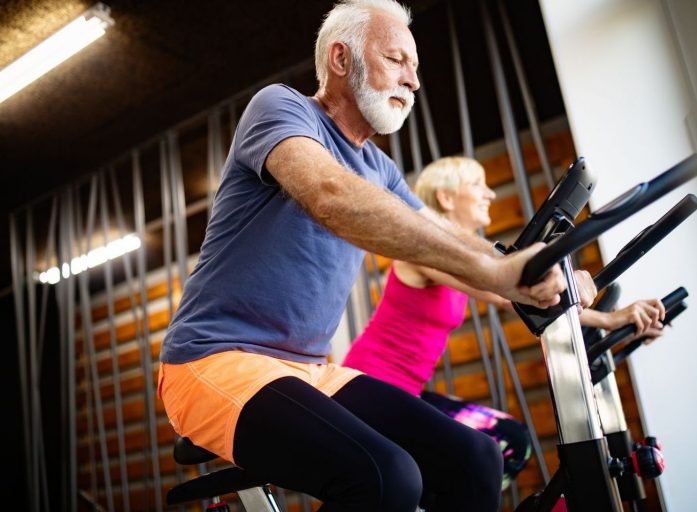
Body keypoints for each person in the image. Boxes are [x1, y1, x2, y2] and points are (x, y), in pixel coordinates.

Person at [157, 1, 570, 511]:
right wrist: (494, 268)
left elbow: (443, 238)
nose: (413, 82)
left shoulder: (381, 168)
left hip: (310, 370)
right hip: (214, 359)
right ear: (340, 58)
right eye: (398, 60)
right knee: (387, 477)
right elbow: (331, 195)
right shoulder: (282, 109)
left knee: (476, 458)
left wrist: (544, 279)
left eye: (415, 69)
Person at [341, 156, 666, 489]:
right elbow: (506, 294)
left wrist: (612, 320)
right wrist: (611, 319)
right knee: (505, 442)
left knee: (498, 447)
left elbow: (515, 291)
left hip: (408, 391)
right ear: (446, 198)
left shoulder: (465, 256)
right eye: (476, 184)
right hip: (371, 385)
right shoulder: (425, 250)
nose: (490, 194)